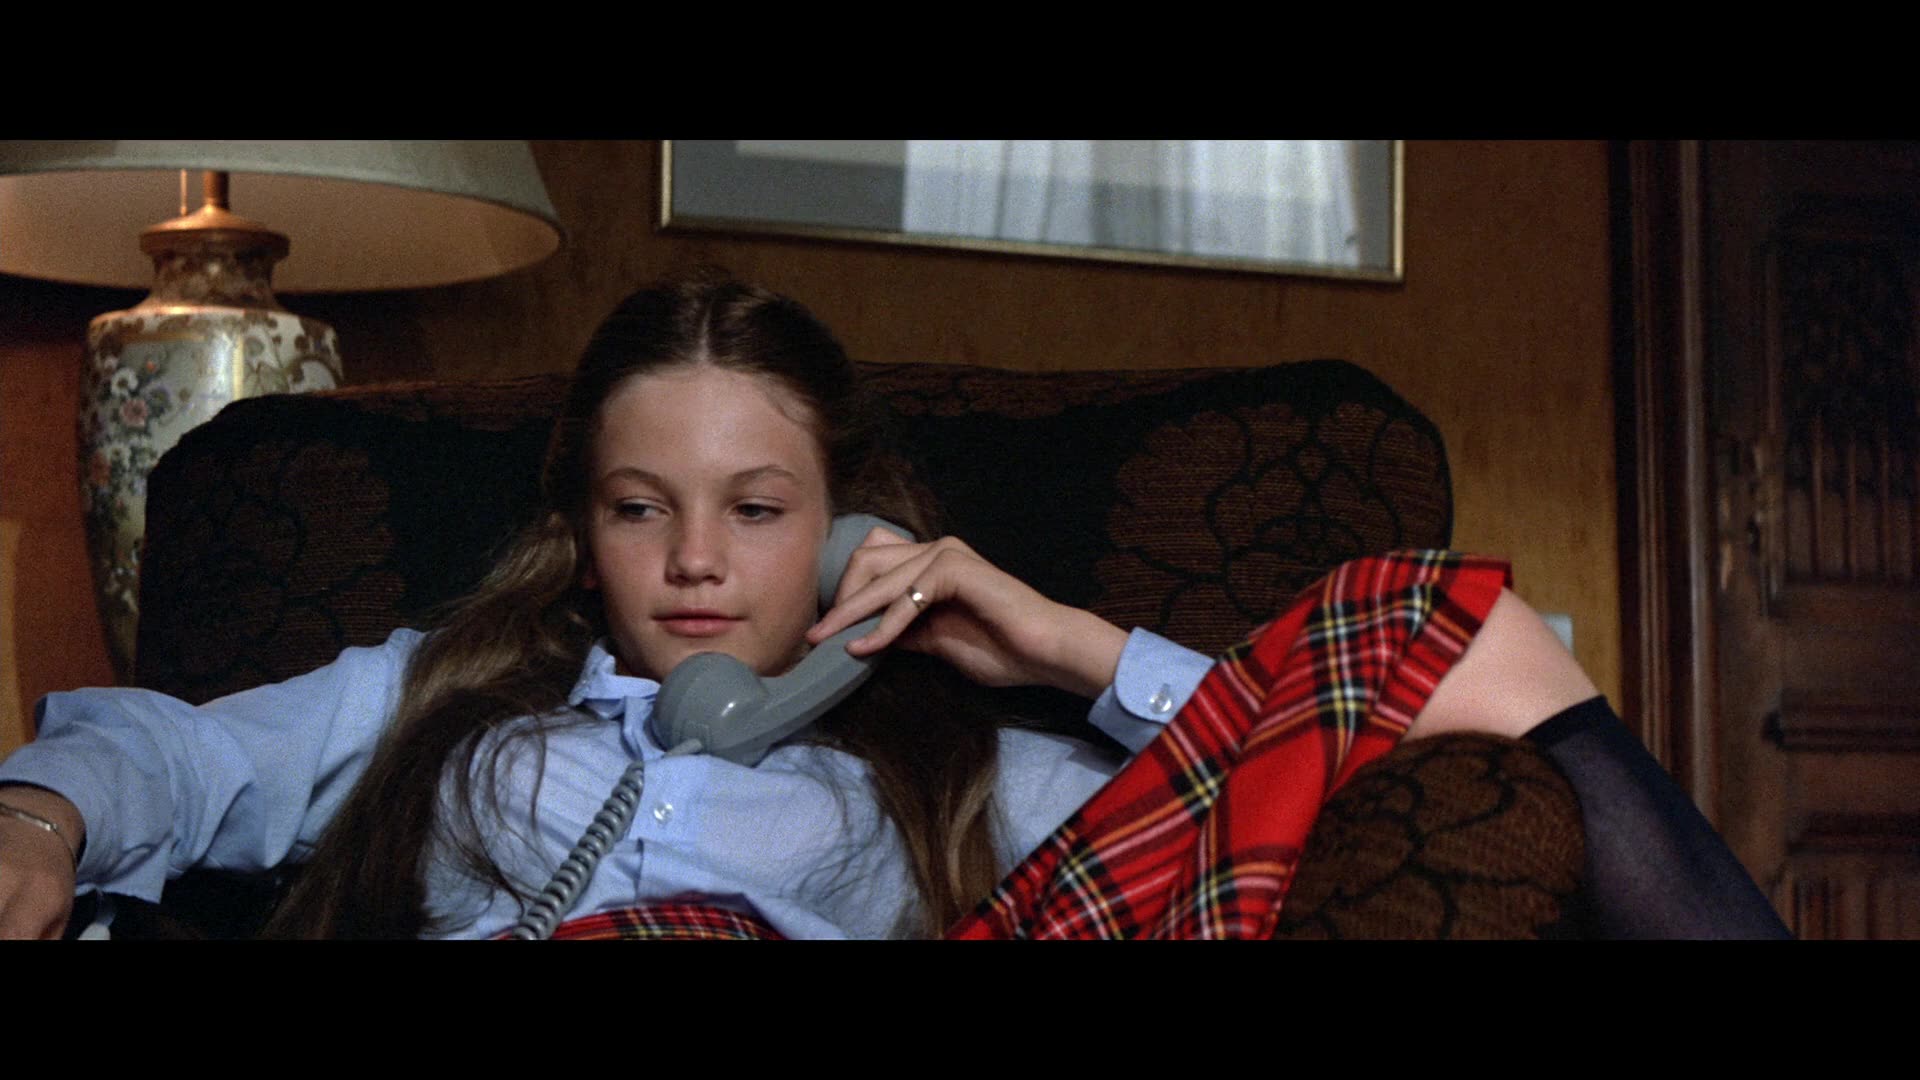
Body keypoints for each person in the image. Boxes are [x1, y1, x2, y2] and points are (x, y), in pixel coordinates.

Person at [0, 274, 1790, 940]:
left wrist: (1070, 650)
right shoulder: (448, 690)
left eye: (757, 509)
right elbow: (173, 752)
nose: (697, 563)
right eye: (641, 508)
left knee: (1418, 618)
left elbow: (1316, 803)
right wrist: (39, 816)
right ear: (581, 529)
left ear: (843, 524)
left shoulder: (945, 771)